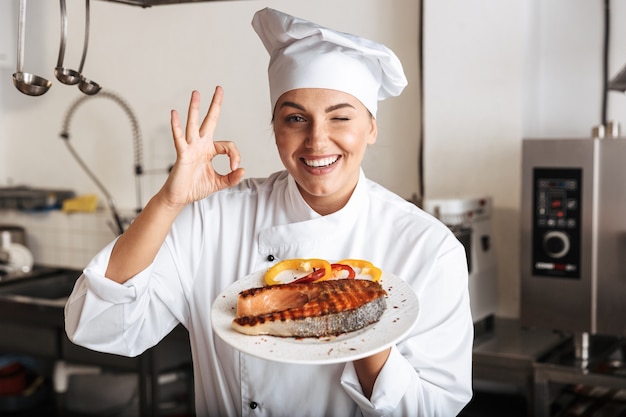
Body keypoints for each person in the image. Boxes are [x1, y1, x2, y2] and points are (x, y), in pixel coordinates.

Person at [65, 7, 473, 417]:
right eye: (296, 118)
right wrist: (168, 202)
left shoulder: (427, 247)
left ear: (370, 127)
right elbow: (99, 325)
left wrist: (365, 331)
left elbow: (432, 408)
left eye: (340, 118)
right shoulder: (217, 217)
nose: (317, 140)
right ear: (275, 127)